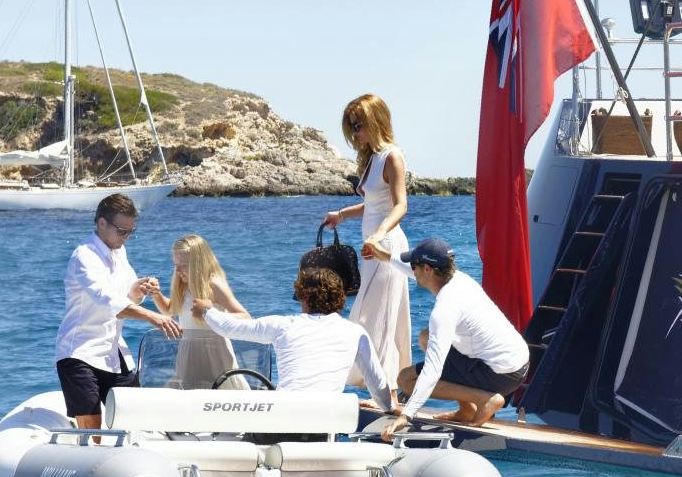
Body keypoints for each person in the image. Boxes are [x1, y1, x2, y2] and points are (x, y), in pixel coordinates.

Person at [368, 238, 529, 437]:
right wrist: (384, 255)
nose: (412, 271)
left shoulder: (445, 308)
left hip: (500, 375)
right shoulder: (458, 279)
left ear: (428, 269)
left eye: (415, 265)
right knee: (426, 337)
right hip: (516, 365)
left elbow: (433, 370)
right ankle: (467, 410)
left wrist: (406, 415)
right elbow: (412, 271)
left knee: (406, 380)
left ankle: (485, 400)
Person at [55, 193, 182, 430]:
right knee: (92, 428)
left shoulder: (119, 252)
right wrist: (153, 317)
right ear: (102, 223)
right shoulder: (85, 256)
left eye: (130, 232)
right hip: (79, 353)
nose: (126, 238)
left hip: (113, 351)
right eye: (122, 231)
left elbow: (128, 297)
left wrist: (140, 288)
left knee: (138, 418)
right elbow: (109, 302)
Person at [193, 266, 394, 410]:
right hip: (325, 422)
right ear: (340, 298)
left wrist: (207, 310)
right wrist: (389, 408)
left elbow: (230, 328)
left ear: (304, 297)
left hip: (285, 418)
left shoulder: (283, 325)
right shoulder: (355, 332)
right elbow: (378, 385)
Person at [322, 93, 412, 387]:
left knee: (376, 316)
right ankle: (392, 388)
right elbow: (373, 205)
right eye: (352, 126)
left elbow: (400, 205)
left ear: (375, 120)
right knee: (378, 315)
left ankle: (389, 392)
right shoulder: (373, 158)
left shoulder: (392, 156)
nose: (355, 133)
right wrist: (341, 215)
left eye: (358, 125)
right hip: (373, 247)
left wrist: (379, 234)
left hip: (386, 246)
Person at [153, 234, 251, 389]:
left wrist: (210, 312)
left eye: (183, 265)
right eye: (175, 265)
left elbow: (246, 317)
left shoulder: (213, 284)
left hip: (216, 359)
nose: (178, 270)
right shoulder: (184, 286)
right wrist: (156, 294)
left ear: (199, 263)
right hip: (189, 359)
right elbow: (170, 309)